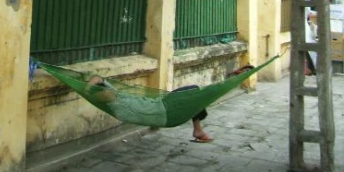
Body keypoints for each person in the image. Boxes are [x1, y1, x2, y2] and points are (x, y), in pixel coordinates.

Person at [86, 63, 255, 144]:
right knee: (198, 95)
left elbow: (101, 85)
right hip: (168, 110)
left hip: (167, 106)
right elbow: (103, 89)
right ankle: (198, 130)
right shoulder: (120, 108)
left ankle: (198, 129)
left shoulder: (118, 100)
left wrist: (88, 90)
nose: (104, 95)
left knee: (198, 94)